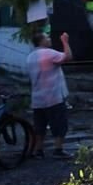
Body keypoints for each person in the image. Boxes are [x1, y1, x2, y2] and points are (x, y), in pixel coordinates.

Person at [27, 31, 73, 159]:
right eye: (46, 37)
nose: (49, 39)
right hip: (53, 96)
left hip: (37, 97)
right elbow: (68, 57)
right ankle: (58, 149)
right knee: (59, 123)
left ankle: (39, 150)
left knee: (40, 125)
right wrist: (65, 42)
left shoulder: (30, 56)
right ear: (41, 41)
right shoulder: (49, 53)